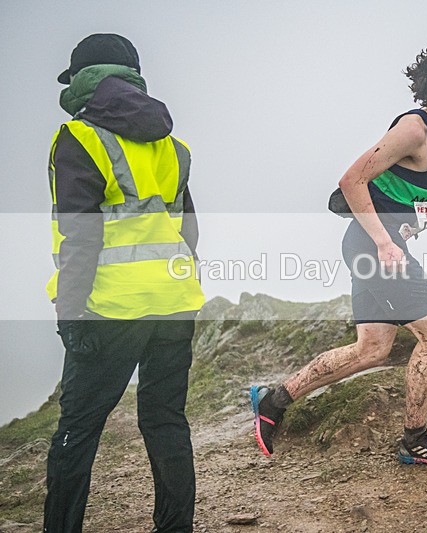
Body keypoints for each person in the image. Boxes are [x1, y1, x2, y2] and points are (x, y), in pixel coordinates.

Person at [251, 35, 427, 467]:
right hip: (375, 248)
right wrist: (383, 241)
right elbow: (351, 180)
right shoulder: (413, 128)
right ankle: (415, 438)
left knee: (372, 348)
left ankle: (273, 400)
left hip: (379, 248)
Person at [44, 34, 205, 532]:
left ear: (82, 82)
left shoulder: (78, 138)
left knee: (77, 430)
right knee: (165, 421)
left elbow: (80, 235)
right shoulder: (173, 145)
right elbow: (189, 230)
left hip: (110, 307)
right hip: (175, 303)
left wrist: (70, 314)